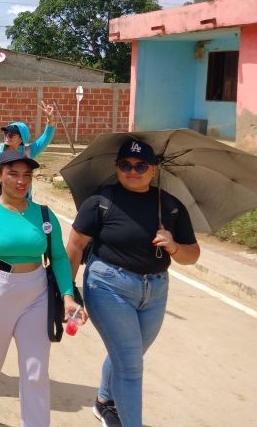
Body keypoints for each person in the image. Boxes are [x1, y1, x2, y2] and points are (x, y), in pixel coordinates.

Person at [65, 138, 200, 427]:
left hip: (156, 291)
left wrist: (173, 246)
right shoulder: (101, 201)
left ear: (154, 169)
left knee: (129, 353)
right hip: (108, 286)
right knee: (131, 366)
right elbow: (75, 247)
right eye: (125, 164)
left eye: (141, 165)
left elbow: (192, 255)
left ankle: (104, 401)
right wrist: (67, 292)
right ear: (117, 167)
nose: (132, 170)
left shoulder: (171, 207)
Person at [0, 149, 84, 427]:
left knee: (36, 368)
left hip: (36, 290)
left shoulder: (43, 214)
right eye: (14, 174)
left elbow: (57, 257)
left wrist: (68, 296)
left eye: (27, 175)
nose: (21, 181)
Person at [0, 101, 56, 170]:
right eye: (6, 133)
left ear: (21, 139)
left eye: (11, 135)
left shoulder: (28, 152)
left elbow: (46, 137)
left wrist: (50, 120)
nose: (7, 136)